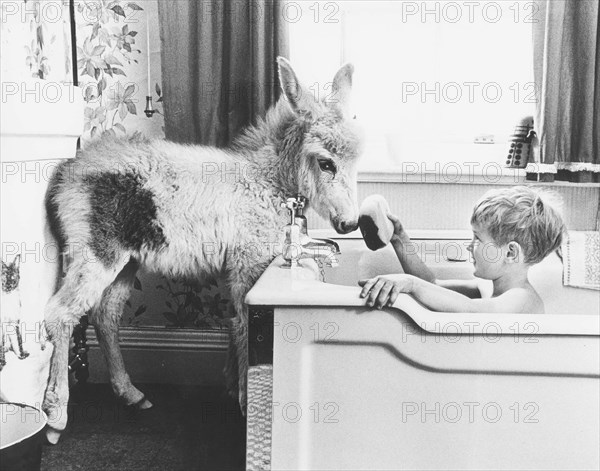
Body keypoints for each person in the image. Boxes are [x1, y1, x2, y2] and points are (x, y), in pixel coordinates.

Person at [359, 186, 566, 314]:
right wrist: (400, 240)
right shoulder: (487, 288)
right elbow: (432, 284)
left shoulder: (521, 299)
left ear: (510, 253)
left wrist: (411, 284)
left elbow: (471, 310)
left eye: (478, 238)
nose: (469, 245)